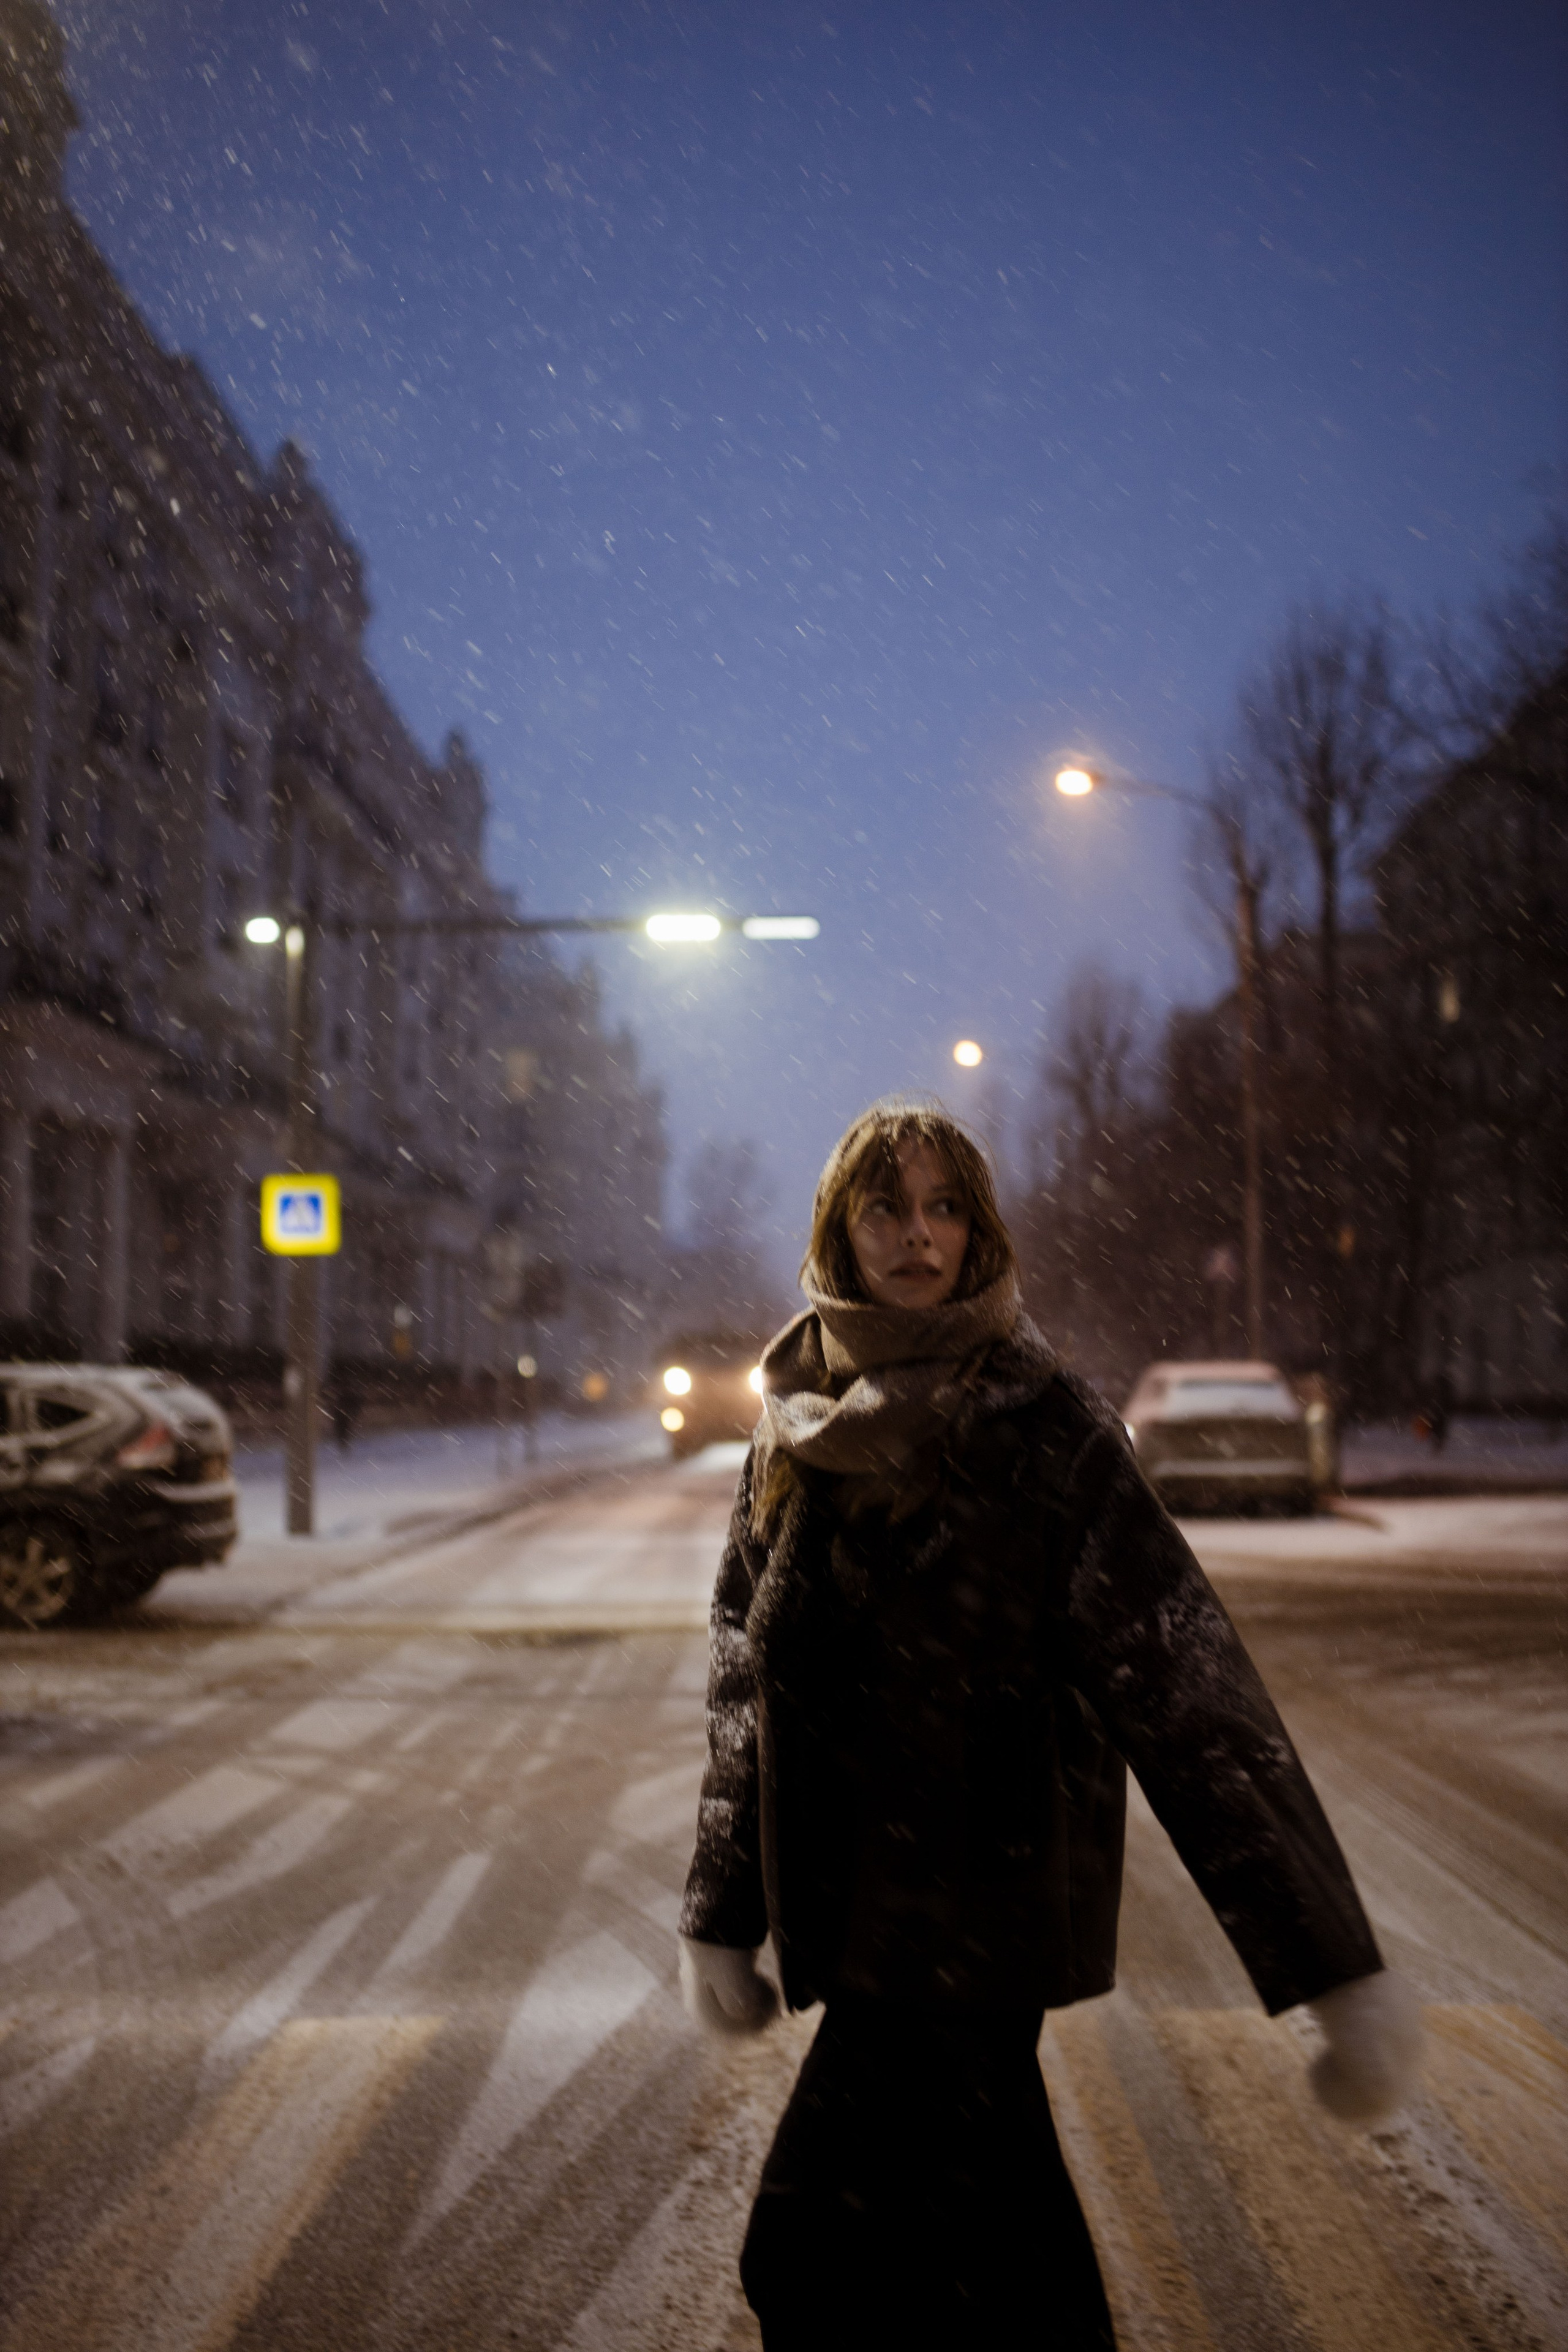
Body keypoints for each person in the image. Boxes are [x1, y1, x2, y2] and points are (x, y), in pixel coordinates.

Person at [677, 1100, 1421, 2350]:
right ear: (838, 1230)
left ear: (976, 1229)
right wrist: (722, 1911)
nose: (917, 1235)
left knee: (808, 2247)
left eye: (943, 1206)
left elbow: (1190, 1693)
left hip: (981, 1908)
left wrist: (1327, 1967)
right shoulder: (797, 1422)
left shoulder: (1045, 1429)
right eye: (885, 1206)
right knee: (985, 2262)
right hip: (857, 1908)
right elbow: (744, 1684)